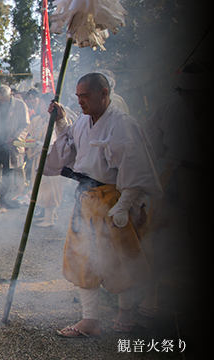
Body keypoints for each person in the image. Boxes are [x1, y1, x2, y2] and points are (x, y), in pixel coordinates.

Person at [44, 73, 162, 337]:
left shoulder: (123, 124)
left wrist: (126, 206)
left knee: (120, 258)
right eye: (78, 96)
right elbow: (71, 141)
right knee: (82, 258)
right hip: (85, 198)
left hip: (114, 198)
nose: (81, 101)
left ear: (103, 93)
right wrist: (62, 119)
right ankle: (90, 320)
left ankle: (125, 312)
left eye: (85, 96)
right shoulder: (84, 122)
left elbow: (134, 169)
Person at [138, 62, 207, 320]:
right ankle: (150, 292)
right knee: (157, 235)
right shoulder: (168, 110)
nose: (190, 97)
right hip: (174, 176)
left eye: (196, 92)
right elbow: (149, 139)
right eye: (185, 92)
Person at [25, 91, 67, 227]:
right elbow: (31, 134)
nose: (41, 107)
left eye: (43, 104)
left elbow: (57, 142)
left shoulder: (55, 120)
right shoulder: (39, 119)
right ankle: (46, 215)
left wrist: (41, 145)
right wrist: (31, 143)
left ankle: (50, 218)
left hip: (51, 160)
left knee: (50, 188)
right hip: (38, 157)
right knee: (40, 187)